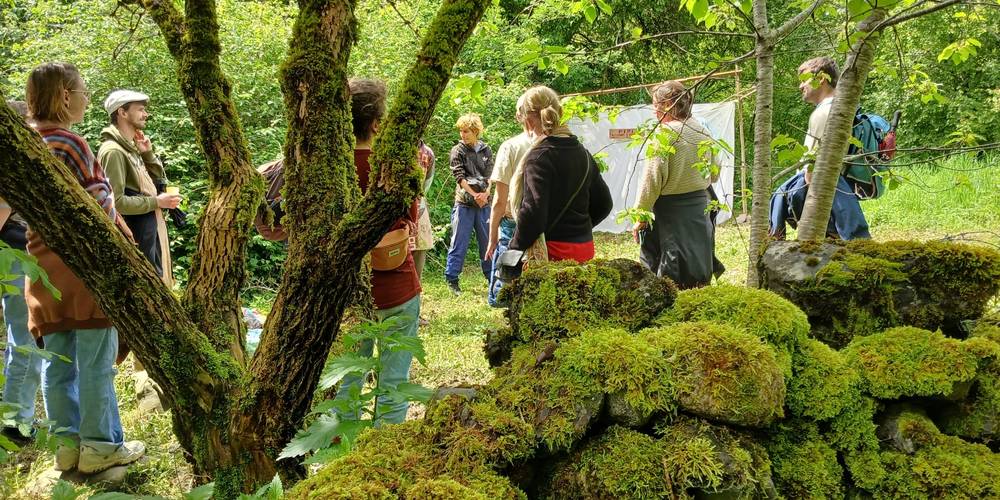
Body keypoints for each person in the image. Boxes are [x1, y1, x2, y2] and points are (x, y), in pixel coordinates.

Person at [24, 62, 144, 473]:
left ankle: (66, 446)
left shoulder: (25, 142)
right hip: (82, 268)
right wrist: (125, 242)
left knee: (56, 364)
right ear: (64, 96)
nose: (87, 99)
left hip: (40, 266)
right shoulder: (69, 142)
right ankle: (101, 446)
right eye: (84, 92)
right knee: (95, 361)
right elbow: (99, 203)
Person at [333, 78, 421, 426]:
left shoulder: (328, 170)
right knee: (394, 385)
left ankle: (343, 460)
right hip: (397, 284)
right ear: (375, 123)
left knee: (348, 383)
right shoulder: (396, 166)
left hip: (347, 290)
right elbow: (411, 220)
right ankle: (381, 462)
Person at [98, 90, 180, 414]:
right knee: (142, 310)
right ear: (122, 112)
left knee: (157, 301)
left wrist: (148, 154)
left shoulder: (132, 148)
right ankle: (146, 394)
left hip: (152, 235)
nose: (145, 112)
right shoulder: (112, 151)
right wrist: (155, 203)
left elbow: (156, 184)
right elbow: (114, 203)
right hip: (137, 243)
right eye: (139, 108)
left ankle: (158, 391)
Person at [768, 56, 870, 240]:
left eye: (803, 81)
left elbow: (812, 170)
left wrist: (810, 213)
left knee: (781, 195)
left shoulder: (824, 113)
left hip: (825, 197)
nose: (800, 86)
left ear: (821, 78)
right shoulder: (843, 108)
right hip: (840, 195)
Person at [508, 86, 613, 263]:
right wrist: (579, 230)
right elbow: (604, 203)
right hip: (585, 248)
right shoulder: (583, 153)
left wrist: (514, 248)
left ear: (528, 121)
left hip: (553, 252)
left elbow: (533, 213)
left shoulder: (538, 157)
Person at [632, 81, 719, 288]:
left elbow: (651, 181)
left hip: (669, 213)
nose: (654, 110)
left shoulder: (665, 135)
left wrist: (640, 216)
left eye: (656, 104)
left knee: (669, 268)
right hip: (700, 207)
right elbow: (714, 173)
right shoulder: (702, 130)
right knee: (698, 261)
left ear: (668, 104)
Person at [1, 100, 46, 445]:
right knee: (24, 338)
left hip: (22, 256)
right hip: (15, 257)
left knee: (27, 338)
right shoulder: (6, 166)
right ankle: (15, 422)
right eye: (29, 126)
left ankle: (18, 416)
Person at [484, 94, 534, 306]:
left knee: (505, 291)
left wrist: (492, 235)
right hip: (548, 222)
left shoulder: (510, 147)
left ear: (519, 116)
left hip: (513, 223)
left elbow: (499, 199)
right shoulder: (556, 144)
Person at [444, 113, 493, 296]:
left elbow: (490, 174)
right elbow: (459, 177)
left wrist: (486, 194)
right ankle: (452, 278)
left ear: (475, 131)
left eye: (466, 131)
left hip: (483, 204)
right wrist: (474, 194)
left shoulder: (486, 149)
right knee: (459, 242)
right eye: (461, 131)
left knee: (487, 242)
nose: (463, 135)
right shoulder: (458, 150)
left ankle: (490, 277)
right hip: (464, 203)